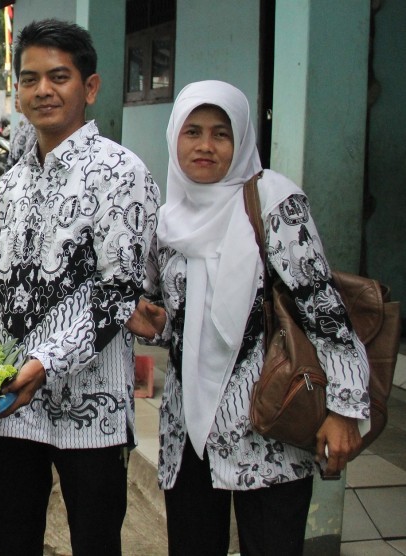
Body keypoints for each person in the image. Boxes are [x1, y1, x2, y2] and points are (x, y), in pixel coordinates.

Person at [126, 80, 369, 556]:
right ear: (174, 137)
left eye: (221, 133)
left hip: (267, 421)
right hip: (189, 430)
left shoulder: (275, 204)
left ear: (241, 141)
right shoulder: (167, 220)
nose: (205, 146)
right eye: (192, 131)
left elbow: (322, 307)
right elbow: (167, 314)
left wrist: (344, 408)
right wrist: (149, 318)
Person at [0, 19, 159, 555]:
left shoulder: (121, 172)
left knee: (95, 543)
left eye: (59, 77)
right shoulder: (17, 177)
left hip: (89, 413)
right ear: (18, 92)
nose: (42, 90)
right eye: (29, 79)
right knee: (9, 539)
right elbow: (7, 291)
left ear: (89, 88)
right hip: (10, 405)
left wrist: (44, 363)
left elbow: (116, 296)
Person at [4, 91, 36, 173]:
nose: (15, 101)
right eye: (15, 98)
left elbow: (28, 154)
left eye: (18, 98)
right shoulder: (21, 123)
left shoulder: (33, 126)